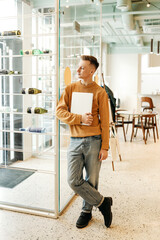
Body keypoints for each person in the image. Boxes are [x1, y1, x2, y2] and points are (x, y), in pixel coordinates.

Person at [56, 55, 113, 229]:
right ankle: (103, 203)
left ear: (91, 71)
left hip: (94, 141)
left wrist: (105, 147)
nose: (78, 70)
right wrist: (79, 118)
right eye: (78, 67)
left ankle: (86, 212)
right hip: (74, 141)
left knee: (92, 179)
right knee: (73, 180)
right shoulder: (70, 88)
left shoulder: (100, 92)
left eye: (82, 67)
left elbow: (105, 121)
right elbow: (59, 112)